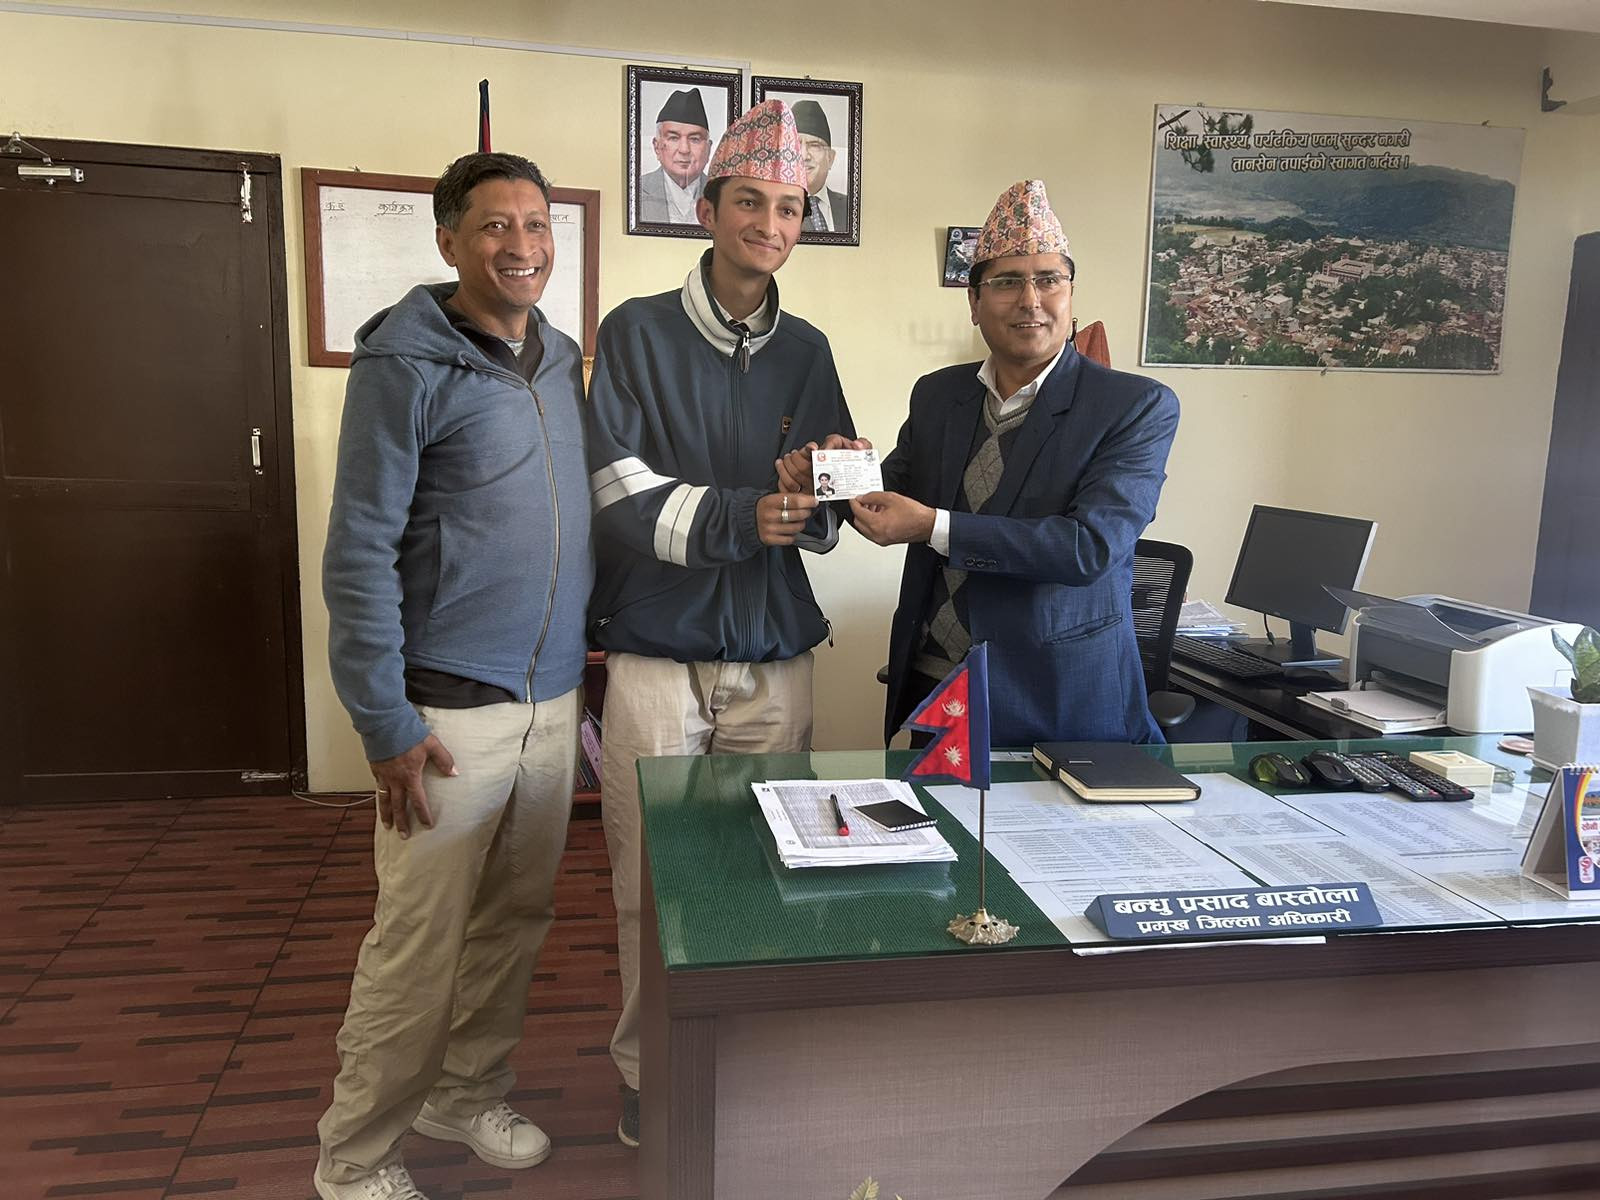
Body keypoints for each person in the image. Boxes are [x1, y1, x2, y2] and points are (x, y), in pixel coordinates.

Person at [315, 151, 593, 1200]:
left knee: (512, 926)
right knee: (417, 950)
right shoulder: (404, 364)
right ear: (448, 241)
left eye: (536, 224)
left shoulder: (559, 356)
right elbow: (358, 551)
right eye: (494, 226)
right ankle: (355, 1158)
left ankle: (465, 1094)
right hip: (444, 715)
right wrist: (382, 719)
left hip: (551, 704)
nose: (522, 245)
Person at [585, 98, 860, 1148]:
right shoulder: (635, 331)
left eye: (789, 208)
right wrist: (750, 514)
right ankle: (648, 1073)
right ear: (706, 210)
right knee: (647, 879)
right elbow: (615, 490)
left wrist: (824, 484)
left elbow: (831, 500)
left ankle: (747, 1065)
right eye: (750, 202)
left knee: (770, 867)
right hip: (658, 652)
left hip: (774, 656)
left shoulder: (810, 349)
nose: (770, 224)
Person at [850, 179, 1178, 747]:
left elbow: (1089, 548)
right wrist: (837, 472)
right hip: (938, 686)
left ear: (1070, 295)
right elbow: (894, 487)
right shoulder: (938, 394)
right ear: (974, 303)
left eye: (1048, 279)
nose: (1030, 300)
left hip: (1057, 699)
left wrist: (931, 526)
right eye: (1006, 282)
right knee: (934, 809)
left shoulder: (1134, 406)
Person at [638, 87, 712, 224]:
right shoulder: (636, 190)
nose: (684, 150)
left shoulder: (721, 196)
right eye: (673, 138)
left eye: (694, 139)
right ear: (657, 147)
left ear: (708, 149)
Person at [791, 98, 848, 233]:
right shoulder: (773, 208)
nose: (804, 155)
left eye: (814, 145)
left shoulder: (849, 206)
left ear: (830, 158)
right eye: (796, 145)